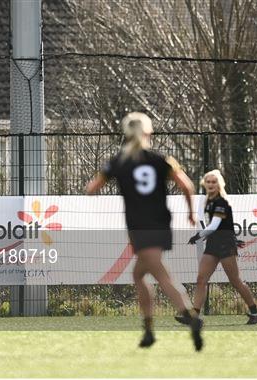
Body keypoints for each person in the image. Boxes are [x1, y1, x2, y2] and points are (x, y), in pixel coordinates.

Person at [86, 112, 203, 351]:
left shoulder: (118, 161)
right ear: (148, 132)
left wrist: (103, 192)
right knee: (140, 274)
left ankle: (190, 316)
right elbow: (187, 185)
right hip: (160, 221)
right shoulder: (161, 159)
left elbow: (92, 188)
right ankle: (148, 331)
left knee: (159, 273)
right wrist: (191, 213)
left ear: (126, 134)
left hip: (139, 224)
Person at [181, 169, 257, 325]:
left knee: (235, 281)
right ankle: (194, 316)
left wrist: (198, 235)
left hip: (225, 245)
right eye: (208, 182)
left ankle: (255, 312)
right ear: (205, 184)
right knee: (201, 279)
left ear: (219, 185)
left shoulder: (221, 202)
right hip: (213, 244)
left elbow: (215, 225)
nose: (211, 184)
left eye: (214, 182)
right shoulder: (208, 202)